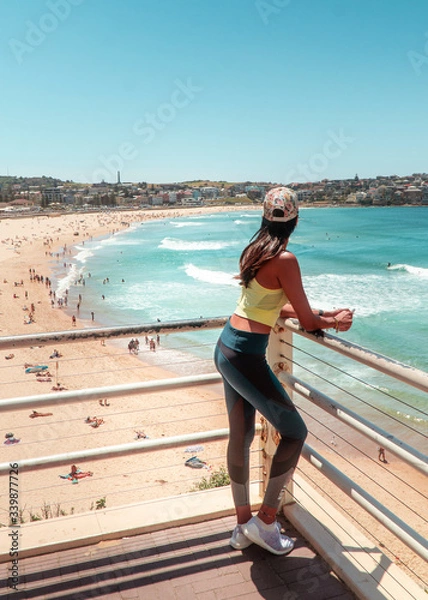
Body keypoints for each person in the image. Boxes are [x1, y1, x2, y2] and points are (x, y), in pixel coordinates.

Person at [214, 187, 353, 556]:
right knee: (295, 432)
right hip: (245, 357)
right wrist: (333, 321)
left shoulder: (255, 251)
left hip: (227, 348)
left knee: (241, 436)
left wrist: (324, 314)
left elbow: (271, 305)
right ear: (295, 220)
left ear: (264, 217)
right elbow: (306, 318)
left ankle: (244, 526)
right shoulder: (286, 258)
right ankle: (266, 521)